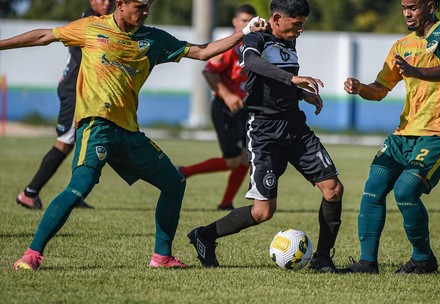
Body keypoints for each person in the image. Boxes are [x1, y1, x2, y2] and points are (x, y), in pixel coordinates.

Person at [5, 0, 267, 270]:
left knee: (174, 183)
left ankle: (162, 257)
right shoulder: (91, 28)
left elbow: (202, 52)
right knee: (79, 187)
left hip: (129, 132)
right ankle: (32, 254)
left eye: (148, 7)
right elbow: (43, 36)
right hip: (97, 127)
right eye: (140, 6)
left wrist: (243, 33)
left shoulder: (153, 39)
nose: (145, 12)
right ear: (120, 4)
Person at [187, 0, 344, 273]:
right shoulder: (256, 38)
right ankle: (204, 235)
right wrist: (293, 80)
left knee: (333, 189)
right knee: (263, 212)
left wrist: (301, 94)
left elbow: (277, 83)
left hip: (295, 128)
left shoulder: (289, 42)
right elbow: (252, 63)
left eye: (302, 25)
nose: (300, 31)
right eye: (297, 25)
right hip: (264, 132)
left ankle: (322, 258)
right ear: (277, 18)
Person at [340, 0, 440, 274]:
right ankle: (366, 263)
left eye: (413, 7)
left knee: (405, 191)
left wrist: (414, 71)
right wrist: (360, 87)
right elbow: (379, 89)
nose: (407, 13)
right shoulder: (402, 46)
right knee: (373, 187)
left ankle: (423, 259)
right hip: (405, 133)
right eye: (403, 8)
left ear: (431, 6)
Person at [16, 0, 114, 210]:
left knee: (80, 142)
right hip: (75, 90)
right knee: (65, 142)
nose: (107, 3)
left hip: (83, 90)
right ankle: (29, 193)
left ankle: (75, 194)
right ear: (92, 1)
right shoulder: (89, 22)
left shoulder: (100, 21)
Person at [179, 4, 256, 211]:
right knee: (233, 161)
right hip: (225, 109)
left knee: (246, 159)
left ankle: (226, 203)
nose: (247, 24)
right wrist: (227, 94)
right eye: (243, 20)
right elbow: (209, 72)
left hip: (244, 109)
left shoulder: (253, 44)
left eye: (250, 20)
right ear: (234, 22)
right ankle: (184, 171)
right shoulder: (230, 45)